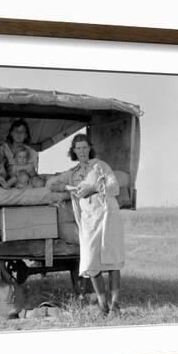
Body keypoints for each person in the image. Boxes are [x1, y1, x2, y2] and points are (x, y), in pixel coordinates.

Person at [49, 134, 125, 317]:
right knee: (91, 261)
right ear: (73, 151)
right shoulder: (72, 173)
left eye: (85, 147)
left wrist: (94, 188)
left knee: (112, 258)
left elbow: (115, 187)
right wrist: (70, 188)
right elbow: (51, 184)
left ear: (89, 148)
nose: (82, 151)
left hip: (108, 214)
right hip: (89, 219)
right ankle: (102, 304)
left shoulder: (100, 166)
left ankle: (115, 305)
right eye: (78, 148)